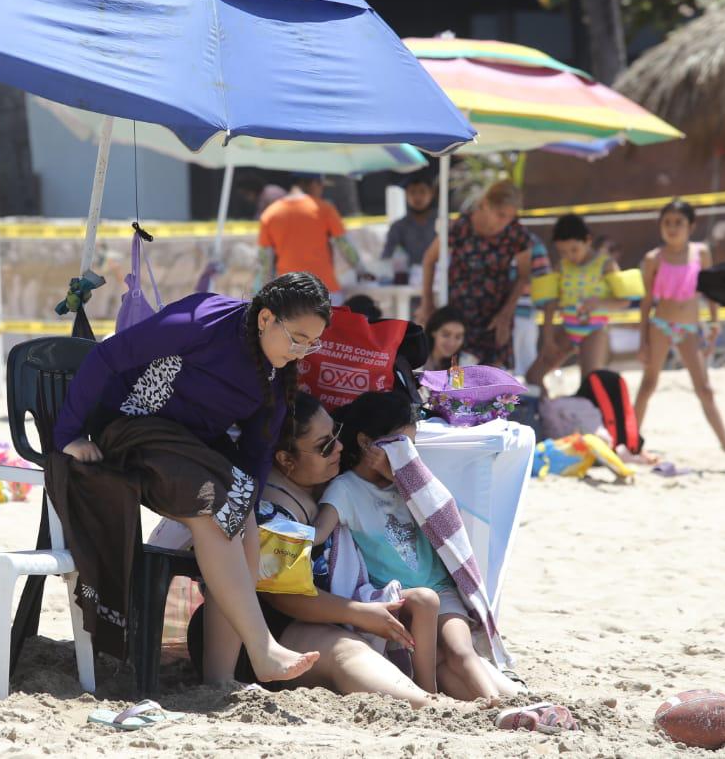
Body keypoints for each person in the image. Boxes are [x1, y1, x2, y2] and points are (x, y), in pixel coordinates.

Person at [50, 273, 331, 684]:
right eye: (297, 339)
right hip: (130, 426)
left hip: (189, 446)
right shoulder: (202, 321)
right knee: (213, 510)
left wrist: (246, 503)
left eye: (312, 343)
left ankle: (219, 679)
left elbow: (257, 448)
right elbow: (107, 356)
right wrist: (67, 436)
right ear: (266, 318)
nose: (301, 352)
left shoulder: (275, 370)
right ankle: (263, 648)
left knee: (241, 517)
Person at [217, 392, 440, 708]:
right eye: (325, 446)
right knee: (348, 651)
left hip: (330, 617)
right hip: (267, 629)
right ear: (285, 459)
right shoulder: (268, 508)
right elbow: (283, 598)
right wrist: (360, 613)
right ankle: (433, 706)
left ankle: (454, 695)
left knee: (424, 609)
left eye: (336, 435)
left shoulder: (327, 485)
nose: (339, 448)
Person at [314, 391, 503, 701]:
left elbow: (441, 510)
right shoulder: (345, 489)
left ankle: (501, 705)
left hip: (442, 589)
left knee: (460, 652)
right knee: (433, 632)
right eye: (399, 445)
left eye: (412, 447)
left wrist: (401, 475)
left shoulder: (413, 485)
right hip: (399, 597)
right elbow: (319, 532)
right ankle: (429, 695)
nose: (407, 455)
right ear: (365, 442)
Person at [633, 200, 725, 452]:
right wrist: (642, 341)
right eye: (667, 222)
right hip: (660, 325)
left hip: (689, 328)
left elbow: (711, 290)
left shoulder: (701, 253)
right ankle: (629, 439)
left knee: (704, 388)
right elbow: (646, 302)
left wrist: (715, 322)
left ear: (691, 226)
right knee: (648, 384)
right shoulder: (654, 258)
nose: (672, 228)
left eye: (679, 222)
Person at [417, 180, 532, 369]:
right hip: (460, 316)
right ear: (485, 205)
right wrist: (427, 302)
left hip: (496, 315)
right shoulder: (460, 227)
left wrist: (506, 314)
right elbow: (429, 259)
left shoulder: (516, 233)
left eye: (511, 216)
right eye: (500, 215)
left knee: (492, 376)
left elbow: (523, 275)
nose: (505, 222)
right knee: (455, 372)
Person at [524, 214, 630, 386]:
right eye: (563, 252)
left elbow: (624, 301)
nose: (569, 256)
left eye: (574, 250)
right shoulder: (561, 267)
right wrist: (548, 340)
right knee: (533, 377)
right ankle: (544, 402)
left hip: (595, 330)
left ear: (588, 240)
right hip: (568, 329)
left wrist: (599, 303)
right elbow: (551, 304)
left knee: (590, 382)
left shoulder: (606, 264)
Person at [257, 173, 371, 302]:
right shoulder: (324, 209)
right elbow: (344, 245)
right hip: (325, 291)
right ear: (313, 183)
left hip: (288, 295)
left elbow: (265, 260)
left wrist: (264, 291)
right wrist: (361, 270)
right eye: (321, 185)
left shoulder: (270, 214)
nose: (322, 190)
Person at [510, 231, 552, 377]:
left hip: (523, 316)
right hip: (496, 318)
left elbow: (543, 283)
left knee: (523, 372)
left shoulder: (531, 242)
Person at [381, 176, 437, 269]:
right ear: (406, 195)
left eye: (422, 191)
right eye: (412, 192)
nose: (417, 197)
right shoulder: (398, 227)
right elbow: (387, 257)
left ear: (431, 193)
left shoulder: (444, 223)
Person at [423, 306, 468, 372]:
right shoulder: (415, 360)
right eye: (446, 335)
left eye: (458, 337)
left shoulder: (469, 364)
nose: (452, 343)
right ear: (433, 332)